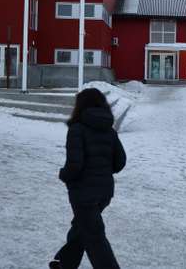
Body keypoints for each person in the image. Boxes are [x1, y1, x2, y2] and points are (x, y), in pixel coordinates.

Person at [51, 88, 126, 269]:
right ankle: (65, 264)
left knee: (94, 237)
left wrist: (64, 175)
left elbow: (74, 166)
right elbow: (120, 161)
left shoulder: (77, 129)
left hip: (83, 194)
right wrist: (104, 171)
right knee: (82, 227)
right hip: (104, 192)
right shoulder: (109, 130)